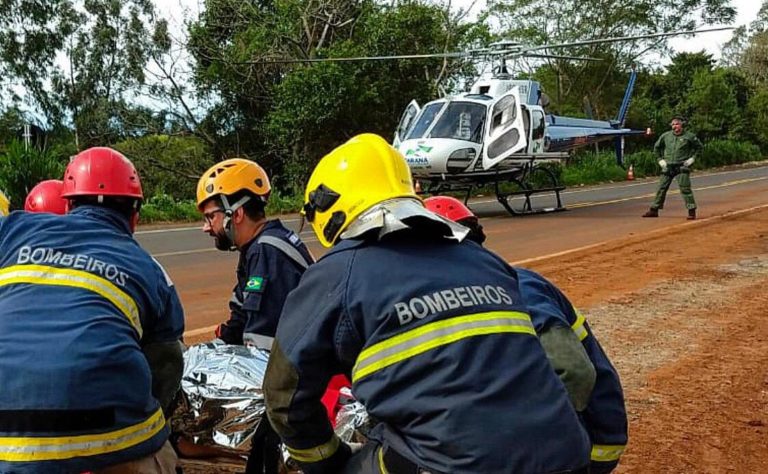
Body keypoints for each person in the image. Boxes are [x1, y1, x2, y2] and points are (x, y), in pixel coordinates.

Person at [264, 133, 592, 474]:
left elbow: (283, 397)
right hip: (565, 456)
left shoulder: (336, 273)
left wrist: (328, 463)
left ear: (328, 208)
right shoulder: (484, 260)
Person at [0, 147, 185, 473]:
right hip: (111, 433)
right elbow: (167, 363)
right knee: (161, 455)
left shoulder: (13, 230)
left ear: (68, 203)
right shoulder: (149, 267)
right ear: (134, 215)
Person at [425, 195, 628, 474]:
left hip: (587, 442)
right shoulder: (472, 292)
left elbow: (575, 372)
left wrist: (518, 428)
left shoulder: (514, 287)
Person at [196, 158, 313, 474]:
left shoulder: (268, 252)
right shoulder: (259, 248)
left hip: (293, 383)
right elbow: (240, 319)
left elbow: (260, 346)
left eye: (211, 217)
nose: (207, 227)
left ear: (237, 214)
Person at [643, 116, 703, 220]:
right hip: (668, 166)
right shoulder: (666, 136)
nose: (675, 126)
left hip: (681, 166)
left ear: (681, 125)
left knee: (685, 189)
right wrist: (660, 160)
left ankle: (691, 211)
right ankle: (654, 210)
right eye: (673, 124)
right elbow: (656, 148)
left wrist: (692, 159)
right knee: (661, 188)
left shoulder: (689, 136)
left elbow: (700, 148)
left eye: (677, 124)